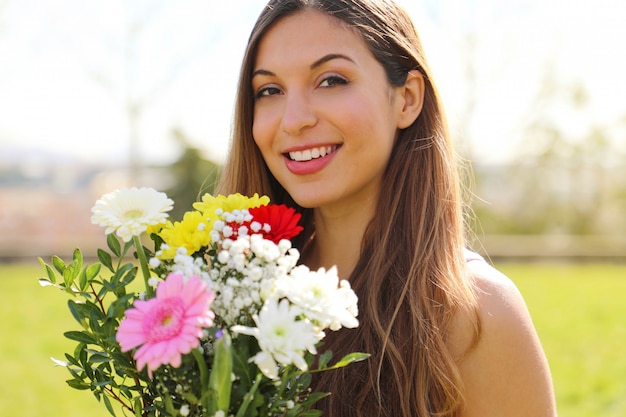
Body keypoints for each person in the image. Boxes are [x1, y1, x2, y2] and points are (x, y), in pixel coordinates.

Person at [216, 0, 557, 416]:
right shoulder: (228, 292)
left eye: (331, 80)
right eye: (269, 90)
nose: (293, 120)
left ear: (407, 99)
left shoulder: (478, 312)